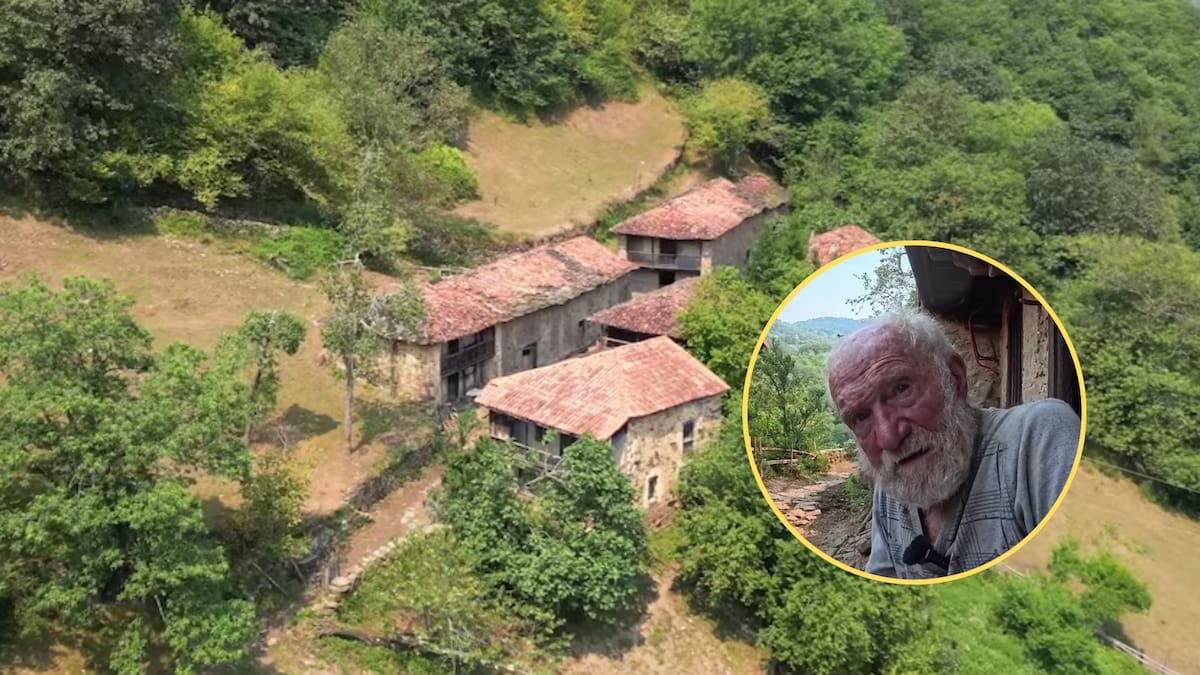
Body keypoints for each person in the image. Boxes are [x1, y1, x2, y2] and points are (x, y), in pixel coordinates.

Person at [825, 311, 1079, 579]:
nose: (889, 437)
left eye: (901, 389)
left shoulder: (1036, 439)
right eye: (861, 417)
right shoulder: (891, 489)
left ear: (954, 377)